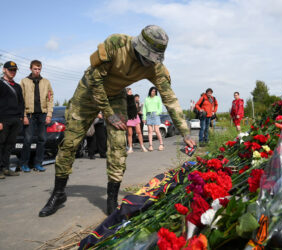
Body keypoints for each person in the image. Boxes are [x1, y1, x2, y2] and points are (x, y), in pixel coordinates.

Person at [38, 25, 195, 217]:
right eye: (146, 56)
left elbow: (170, 99)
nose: (148, 62)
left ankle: (112, 200)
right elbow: (96, 82)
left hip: (115, 96)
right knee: (70, 143)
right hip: (88, 93)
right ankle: (58, 193)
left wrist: (185, 132)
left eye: (152, 58)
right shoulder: (116, 44)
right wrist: (108, 114)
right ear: (139, 46)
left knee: (119, 146)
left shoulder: (155, 67)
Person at [20, 60, 54, 172]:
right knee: (28, 140)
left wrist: (49, 115)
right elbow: (20, 100)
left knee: (42, 139)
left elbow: (50, 99)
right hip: (29, 115)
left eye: (39, 69)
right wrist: (24, 116)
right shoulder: (24, 82)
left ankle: (38, 163)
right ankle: (24, 164)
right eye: (35, 69)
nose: (37, 71)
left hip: (42, 115)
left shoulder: (46, 82)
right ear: (31, 69)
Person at [0, 61, 24, 179]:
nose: (13, 72)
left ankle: (6, 168)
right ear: (4, 70)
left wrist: (21, 117)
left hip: (15, 120)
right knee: (1, 144)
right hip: (3, 119)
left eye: (14, 70)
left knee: (9, 145)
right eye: (10, 70)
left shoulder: (17, 86)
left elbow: (21, 103)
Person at [126, 88, 148, 153]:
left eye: (131, 92)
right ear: (127, 93)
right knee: (130, 133)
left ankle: (142, 146)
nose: (131, 93)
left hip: (135, 117)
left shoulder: (133, 99)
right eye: (130, 92)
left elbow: (136, 108)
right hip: (129, 118)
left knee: (139, 132)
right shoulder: (125, 100)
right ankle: (130, 148)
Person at [142, 87, 164, 151]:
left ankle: (161, 144)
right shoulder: (147, 99)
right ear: (150, 91)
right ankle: (150, 146)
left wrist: (158, 113)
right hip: (148, 115)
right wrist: (144, 117)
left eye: (154, 91)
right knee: (150, 131)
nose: (153, 92)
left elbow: (160, 106)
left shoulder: (158, 98)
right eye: (152, 91)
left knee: (156, 130)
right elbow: (144, 109)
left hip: (155, 114)